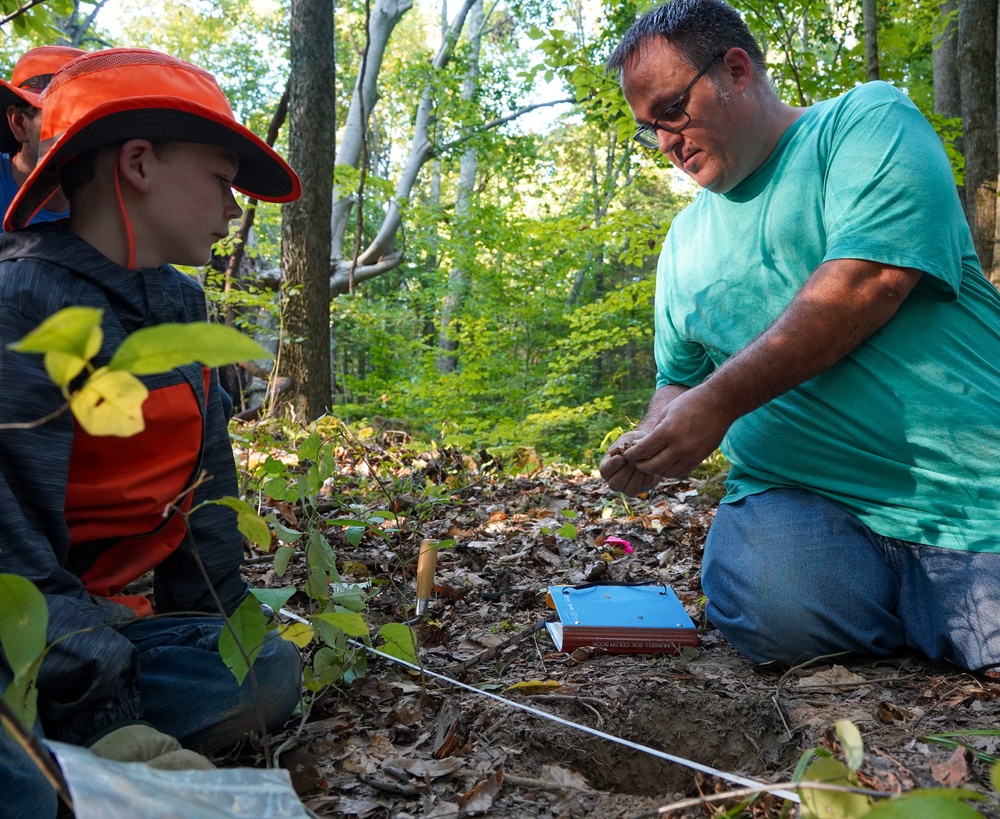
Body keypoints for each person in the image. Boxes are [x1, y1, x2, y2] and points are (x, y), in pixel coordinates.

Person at [599, 0, 1000, 675]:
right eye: (648, 129)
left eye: (672, 109)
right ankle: (893, 617)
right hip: (801, 503)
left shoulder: (866, 122)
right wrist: (652, 438)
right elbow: (680, 378)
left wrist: (720, 404)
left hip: (962, 496)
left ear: (735, 69)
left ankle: (929, 611)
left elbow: (868, 280)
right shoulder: (683, 243)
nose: (665, 140)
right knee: (766, 600)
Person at [0, 48, 303, 818]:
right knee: (24, 782)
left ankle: (63, 738)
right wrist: (105, 710)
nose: (234, 209)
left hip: (94, 626)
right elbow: (11, 544)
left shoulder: (180, 306)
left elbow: (208, 494)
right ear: (138, 162)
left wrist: (222, 617)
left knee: (259, 669)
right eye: (220, 178)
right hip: (20, 632)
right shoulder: (23, 301)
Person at [0, 45, 85, 222]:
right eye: (60, 117)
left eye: (89, 118)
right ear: (20, 123)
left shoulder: (112, 201)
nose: (80, 130)